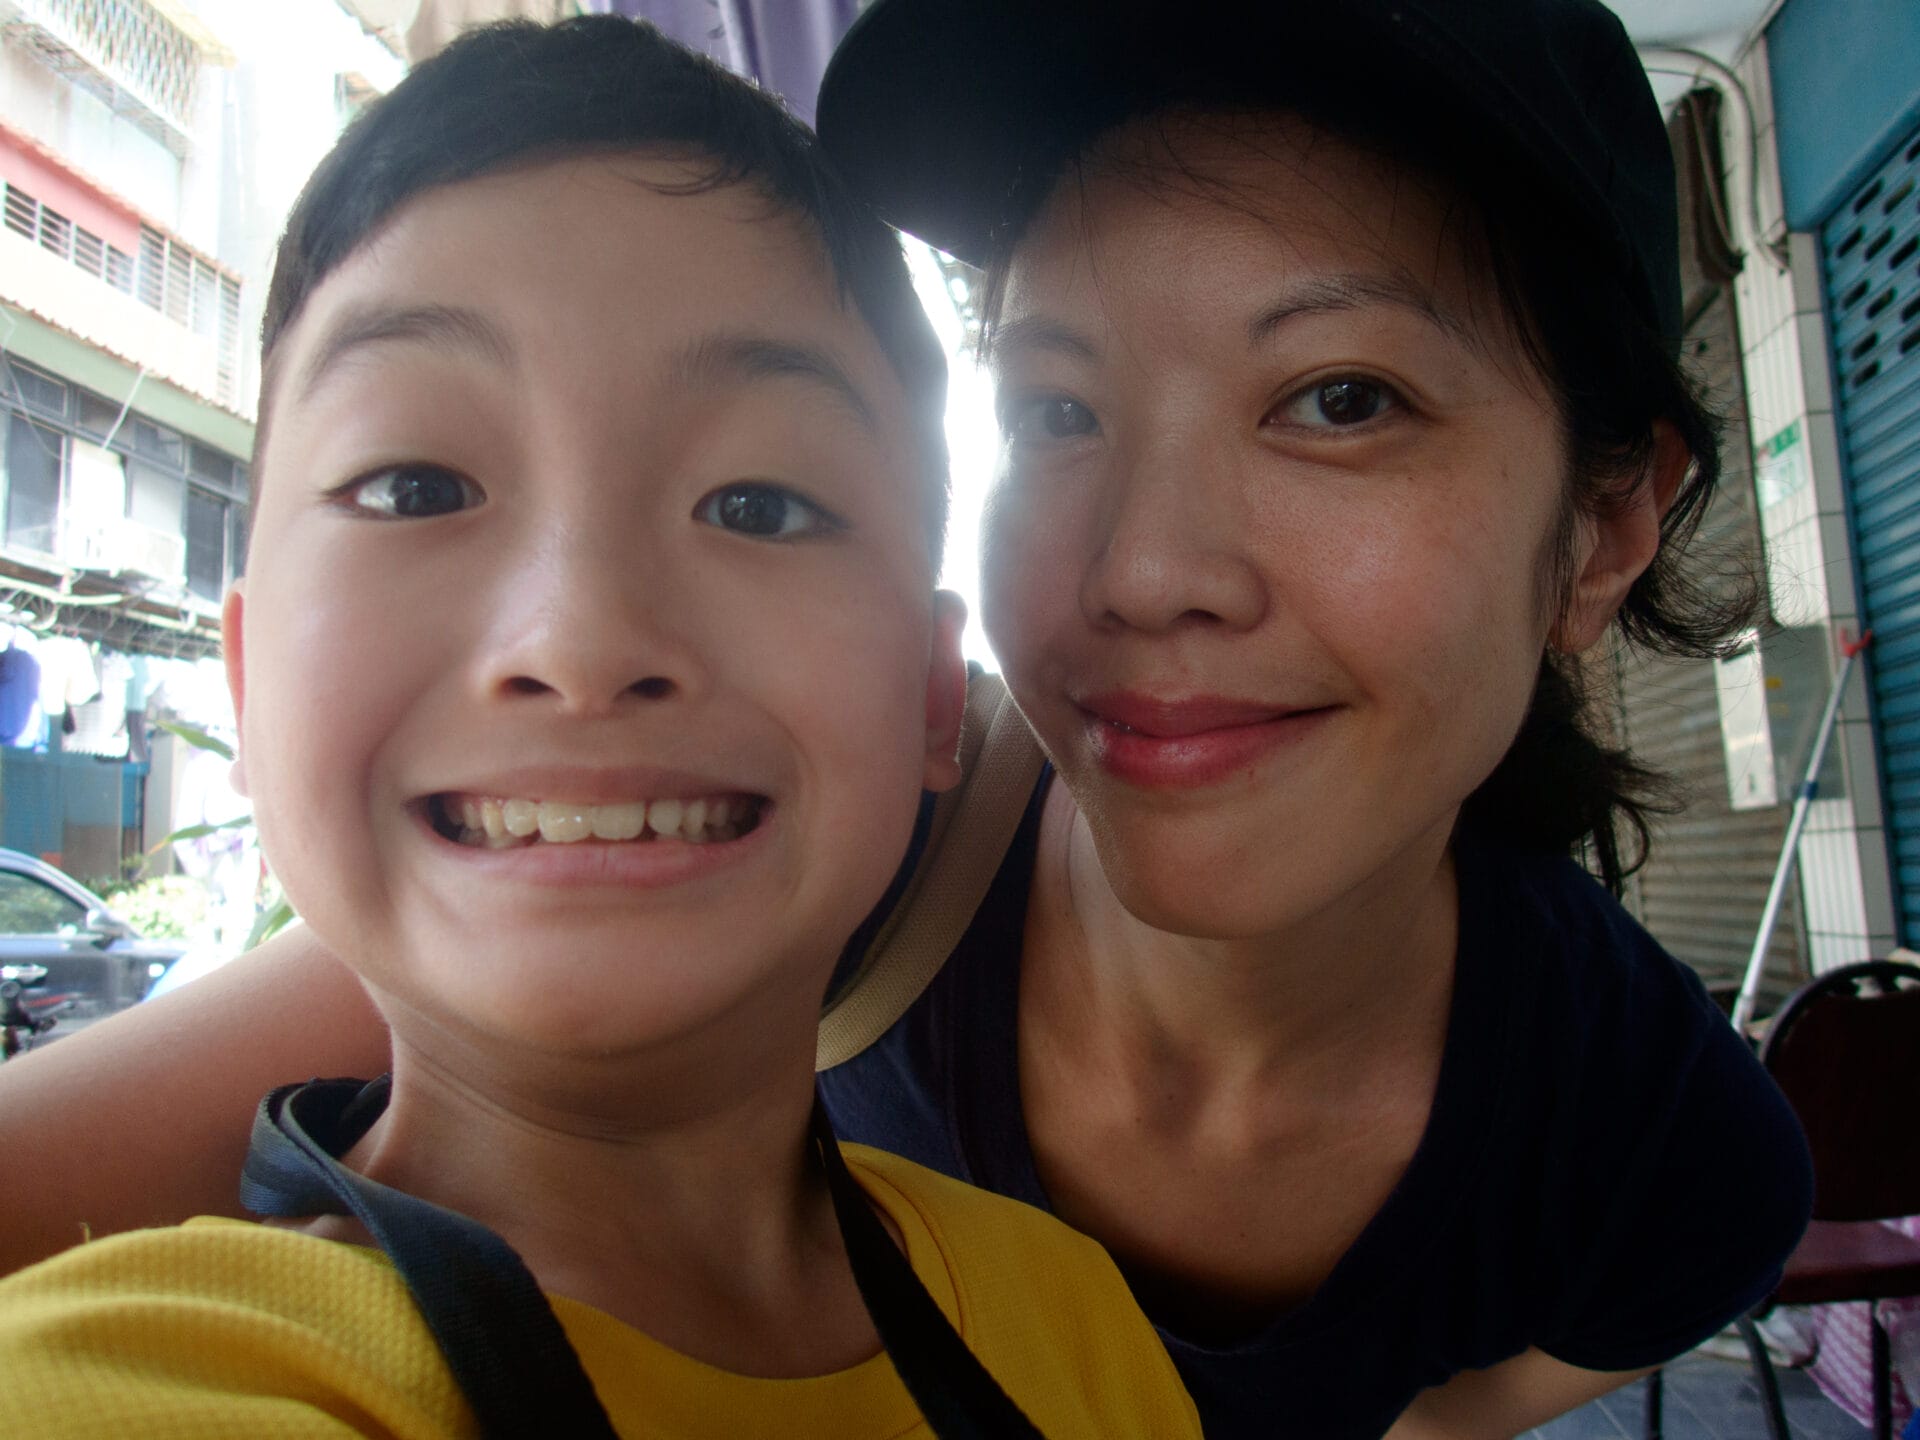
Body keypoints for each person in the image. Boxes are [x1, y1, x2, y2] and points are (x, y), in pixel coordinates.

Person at [0, 1, 1812, 1437]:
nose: (1142, 572)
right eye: (1055, 411)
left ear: (1606, 526)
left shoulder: (1660, 1160)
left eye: (1340, 399)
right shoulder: (763, 838)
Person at [0, 17, 1204, 1439]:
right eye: (414, 488)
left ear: (936, 694)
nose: (581, 643)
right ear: (249, 685)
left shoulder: (1068, 1327)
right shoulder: (123, 1386)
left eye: (757, 505)